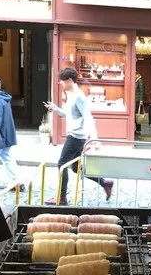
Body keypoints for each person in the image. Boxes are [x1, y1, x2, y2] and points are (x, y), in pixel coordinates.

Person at [45, 67, 113, 204]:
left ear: (70, 81)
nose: (61, 85)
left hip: (76, 137)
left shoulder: (79, 97)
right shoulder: (71, 95)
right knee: (76, 168)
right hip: (77, 136)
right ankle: (104, 183)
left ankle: (61, 197)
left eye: (63, 82)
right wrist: (56, 109)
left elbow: (88, 118)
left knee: (62, 164)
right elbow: (70, 114)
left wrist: (95, 139)